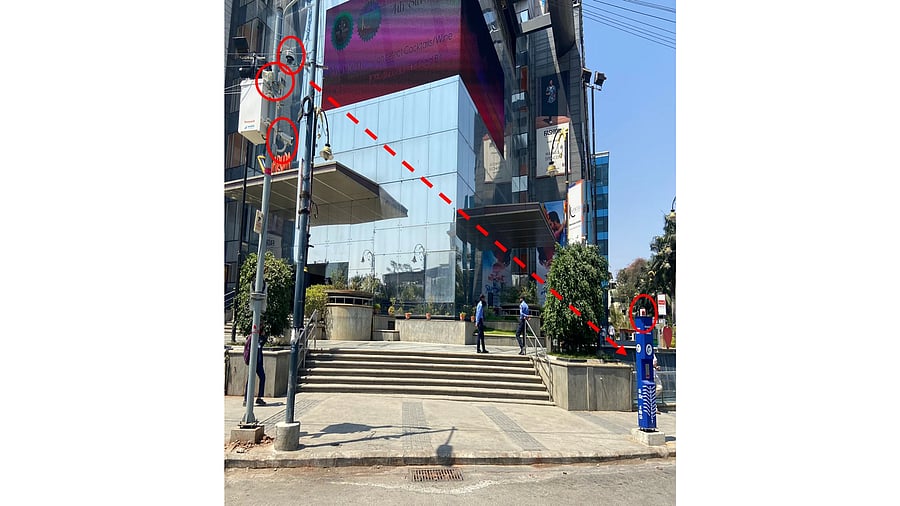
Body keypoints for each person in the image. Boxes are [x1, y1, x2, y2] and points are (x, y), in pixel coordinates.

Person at [242, 332, 267, 407]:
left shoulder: (260, 338)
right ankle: (246, 399)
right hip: (253, 362)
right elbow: (247, 349)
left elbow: (263, 343)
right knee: (250, 379)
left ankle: (259, 397)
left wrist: (263, 335)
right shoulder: (252, 337)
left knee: (262, 377)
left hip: (259, 362)